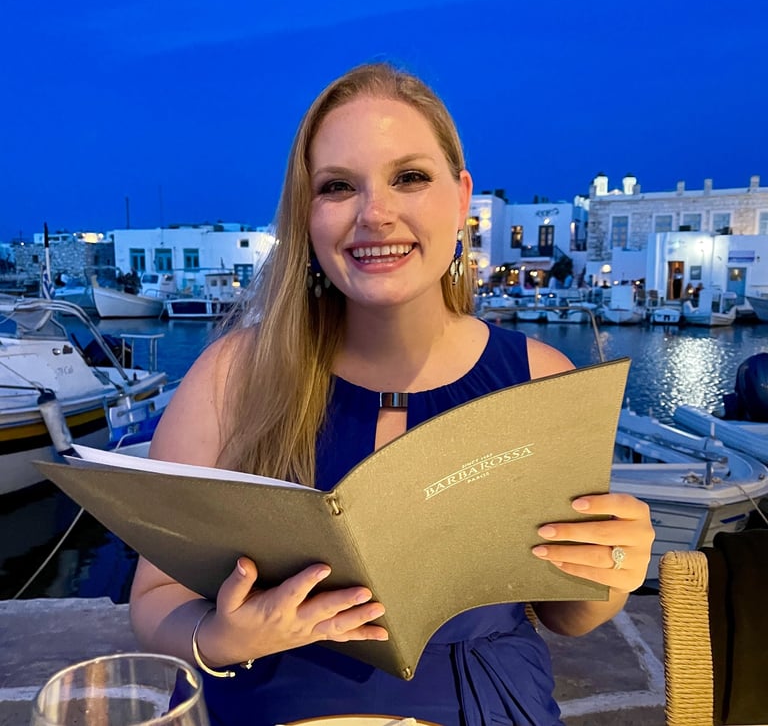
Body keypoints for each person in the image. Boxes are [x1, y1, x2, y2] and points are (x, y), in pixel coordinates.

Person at [129, 62, 654, 726]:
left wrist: (611, 568)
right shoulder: (232, 375)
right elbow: (154, 594)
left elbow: (566, 612)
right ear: (307, 216)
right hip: (267, 699)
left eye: (409, 177)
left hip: (483, 703)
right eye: (338, 186)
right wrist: (225, 637)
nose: (375, 213)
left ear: (460, 197)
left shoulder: (539, 376)